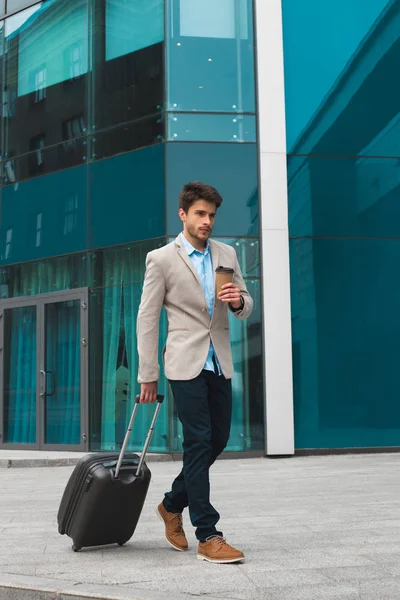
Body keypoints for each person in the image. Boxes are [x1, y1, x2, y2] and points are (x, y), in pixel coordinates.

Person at [136, 182, 253, 564]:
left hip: (219, 359)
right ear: (183, 214)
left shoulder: (227, 253)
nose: (207, 221)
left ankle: (171, 504)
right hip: (184, 363)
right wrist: (147, 374)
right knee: (198, 441)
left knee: (216, 440)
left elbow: (247, 303)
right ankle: (208, 533)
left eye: (212, 215)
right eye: (200, 214)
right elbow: (147, 318)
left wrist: (238, 301)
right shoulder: (162, 258)